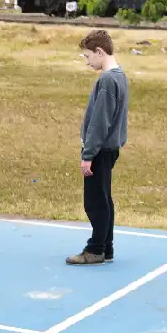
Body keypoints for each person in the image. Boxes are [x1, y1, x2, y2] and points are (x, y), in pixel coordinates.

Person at [68, 29, 129, 265]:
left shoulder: (106, 80)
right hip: (110, 148)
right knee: (105, 199)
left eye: (87, 57)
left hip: (101, 150)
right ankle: (106, 247)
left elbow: (100, 121)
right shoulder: (120, 76)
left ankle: (95, 249)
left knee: (95, 201)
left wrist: (88, 154)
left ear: (99, 52)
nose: (87, 62)